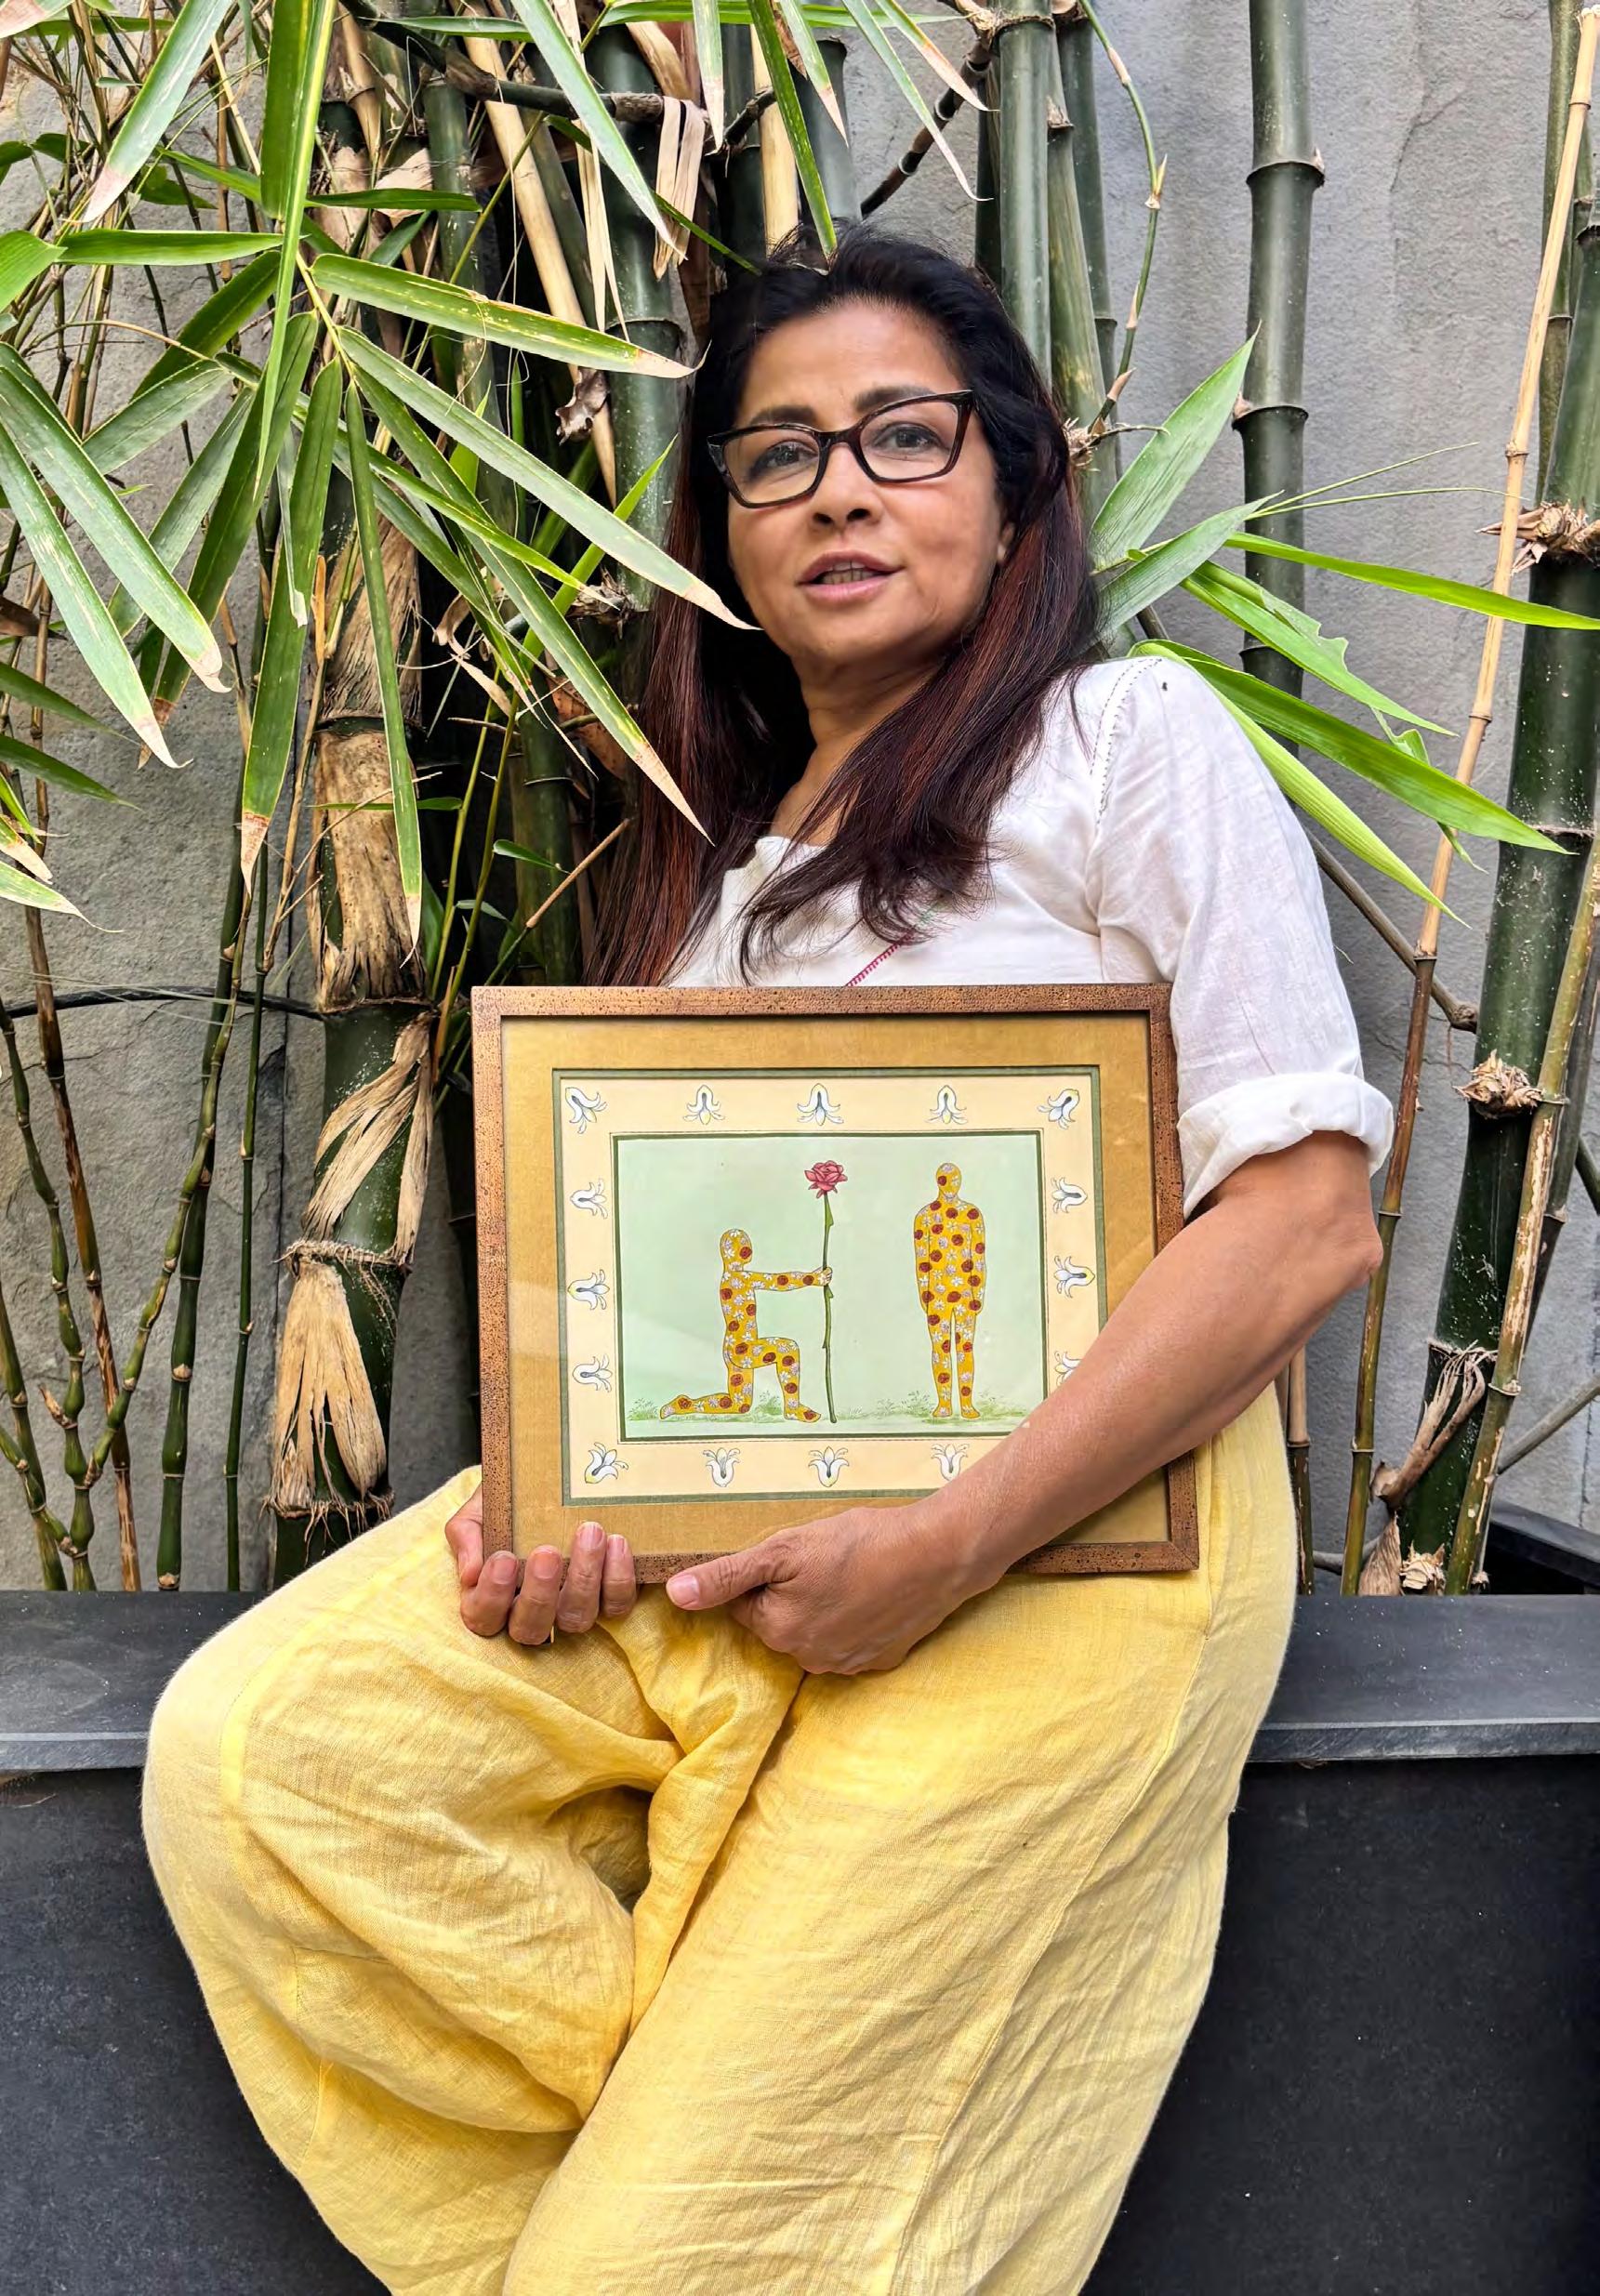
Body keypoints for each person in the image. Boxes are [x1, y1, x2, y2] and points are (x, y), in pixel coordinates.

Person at [143, 228, 1395, 2295]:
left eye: (904, 436)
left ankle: (722, 2189)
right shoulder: (718, 869)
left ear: (1012, 484)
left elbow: (1305, 1216)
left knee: (688, 2250)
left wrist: (950, 1537)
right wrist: (571, 1513)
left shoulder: (1127, 738)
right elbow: (659, 1324)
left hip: (1082, 1532)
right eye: (778, 453)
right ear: (721, 525)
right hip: (725, 1520)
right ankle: (730, 2148)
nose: (839, 490)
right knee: (267, 1760)